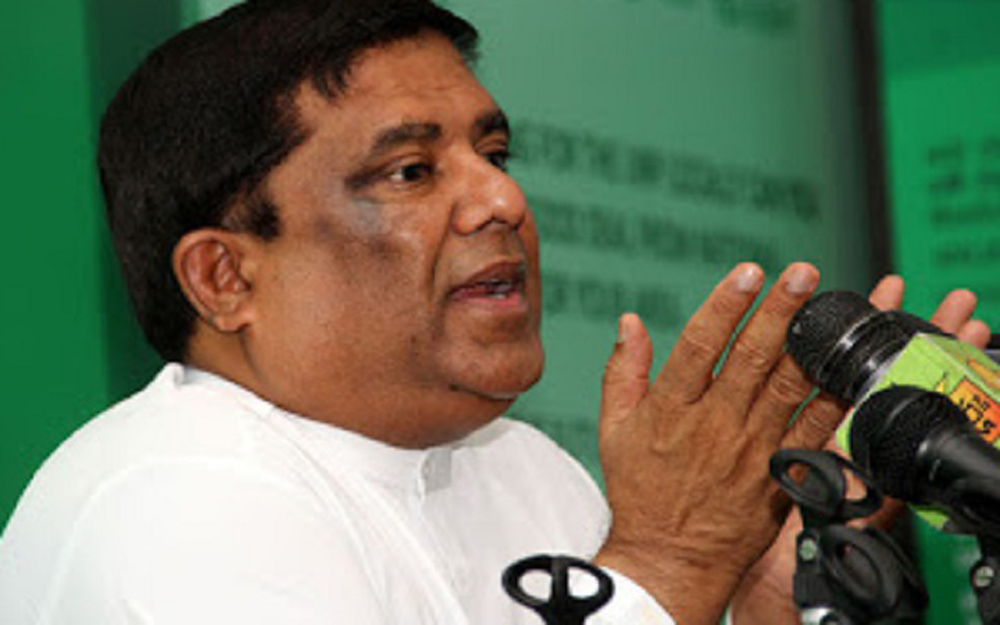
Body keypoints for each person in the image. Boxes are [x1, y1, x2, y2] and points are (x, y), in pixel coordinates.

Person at [0, 1, 989, 623]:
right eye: (410, 170)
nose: (502, 200)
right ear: (224, 276)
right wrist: (667, 561)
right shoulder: (171, 497)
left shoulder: (521, 467)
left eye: (494, 154)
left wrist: (764, 596)